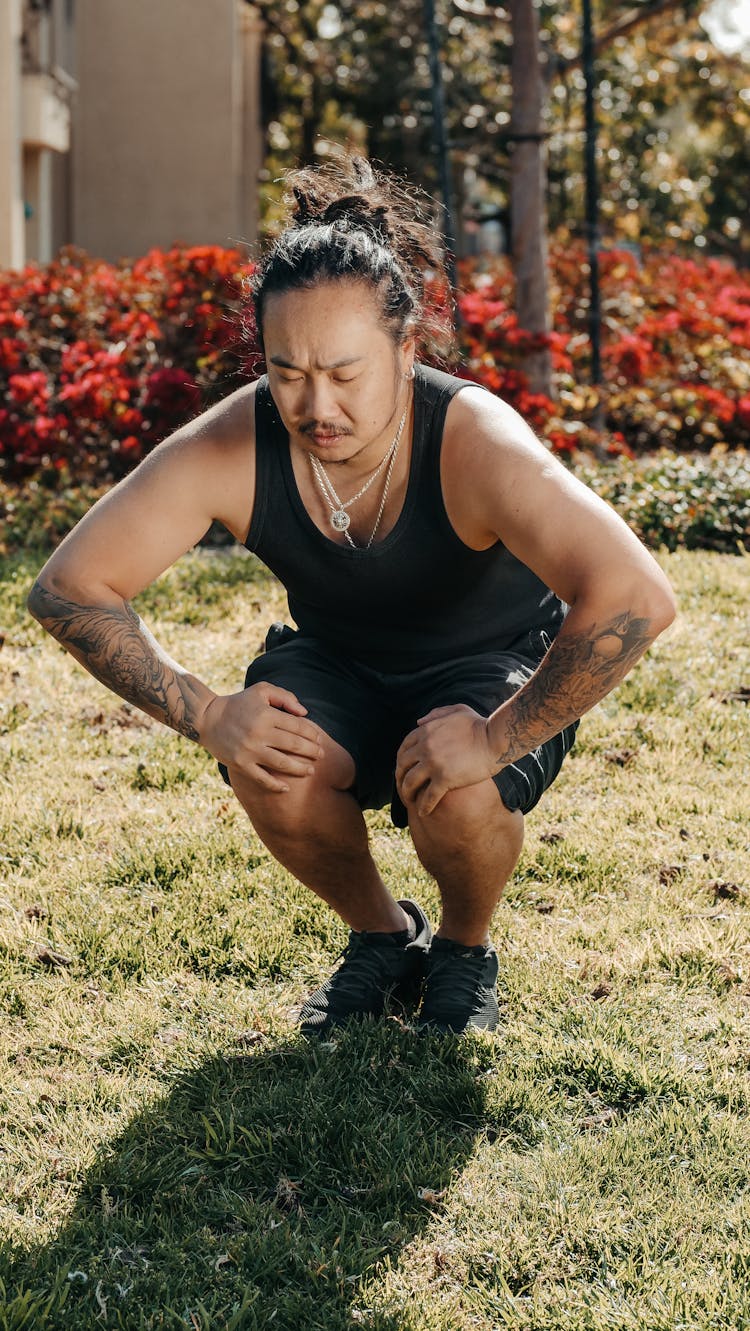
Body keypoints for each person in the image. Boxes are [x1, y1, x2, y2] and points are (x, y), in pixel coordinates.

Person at [28, 157, 676, 1037]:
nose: (314, 402)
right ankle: (383, 934)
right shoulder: (237, 441)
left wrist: (498, 736)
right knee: (272, 758)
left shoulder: (472, 438)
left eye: (344, 371)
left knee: (459, 791)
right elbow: (70, 587)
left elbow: (635, 594)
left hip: (486, 662)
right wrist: (209, 713)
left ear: (407, 349)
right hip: (340, 660)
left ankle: (462, 946)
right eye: (288, 370)